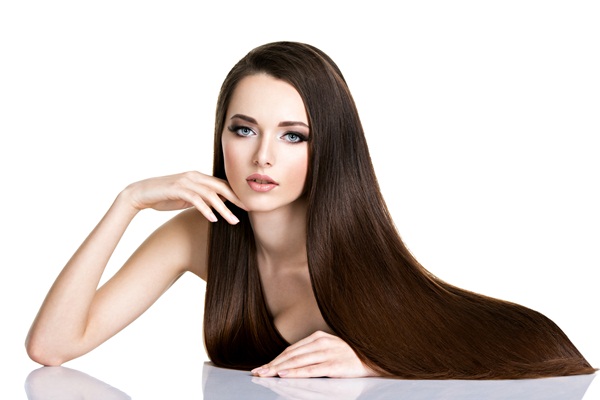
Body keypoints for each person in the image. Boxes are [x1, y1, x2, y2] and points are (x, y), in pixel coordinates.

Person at [26, 41, 595, 379]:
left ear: (327, 146)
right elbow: (51, 347)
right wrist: (127, 202)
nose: (262, 156)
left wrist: (376, 363)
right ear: (221, 135)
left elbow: (544, 344)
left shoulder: (353, 255)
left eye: (293, 136)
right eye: (243, 129)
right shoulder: (202, 234)